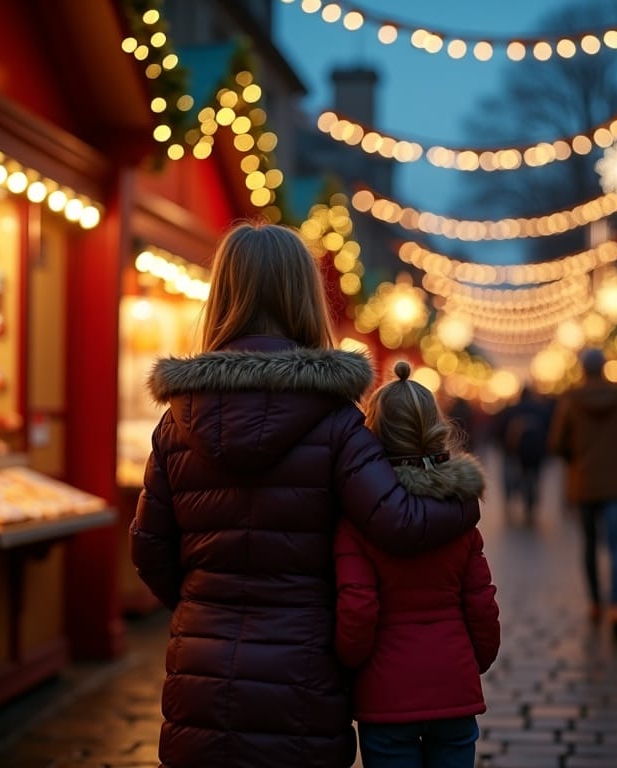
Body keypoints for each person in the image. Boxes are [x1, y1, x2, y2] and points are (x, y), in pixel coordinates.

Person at [129, 222, 481, 768]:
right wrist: (461, 490)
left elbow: (150, 550)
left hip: (202, 673)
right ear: (304, 297)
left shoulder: (177, 423)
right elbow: (402, 525)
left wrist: (208, 604)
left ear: (222, 296)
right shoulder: (337, 423)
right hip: (303, 678)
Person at [334, 360, 501, 768]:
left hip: (385, 695)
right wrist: (467, 662)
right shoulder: (461, 516)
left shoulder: (357, 519)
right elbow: (481, 605)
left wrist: (349, 667)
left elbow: (357, 609)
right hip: (453, 689)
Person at [548, 347, 617, 637]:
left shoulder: (571, 401)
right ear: (604, 368)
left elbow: (557, 444)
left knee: (590, 545)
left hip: (585, 483)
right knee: (616, 546)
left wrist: (577, 459)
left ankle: (595, 603)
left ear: (583, 369)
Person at [495, 385, 552, 524]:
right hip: (536, 453)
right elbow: (550, 431)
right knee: (533, 477)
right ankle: (530, 507)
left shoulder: (511, 410)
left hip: (515, 452)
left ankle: (511, 501)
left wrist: (504, 447)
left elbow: (500, 430)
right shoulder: (541, 410)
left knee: (513, 477)